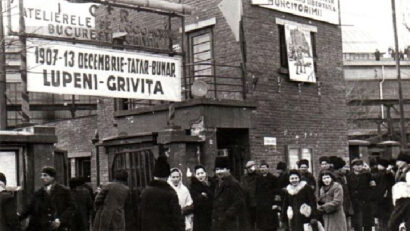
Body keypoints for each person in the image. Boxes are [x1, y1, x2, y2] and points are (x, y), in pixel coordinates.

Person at [19, 166, 75, 231]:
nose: (42, 178)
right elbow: (29, 208)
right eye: (42, 175)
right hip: (41, 227)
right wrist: (18, 217)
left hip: (58, 227)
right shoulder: (38, 193)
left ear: (52, 177)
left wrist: (60, 220)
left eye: (45, 175)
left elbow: (72, 207)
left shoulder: (64, 191)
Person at [140, 155, 185, 231]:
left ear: (154, 176)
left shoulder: (145, 192)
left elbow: (140, 217)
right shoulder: (170, 193)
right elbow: (177, 219)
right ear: (167, 177)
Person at [212, 156, 249, 231]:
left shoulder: (234, 184)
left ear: (228, 170)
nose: (219, 172)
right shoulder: (217, 183)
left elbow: (239, 202)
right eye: (217, 169)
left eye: (222, 169)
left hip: (231, 223)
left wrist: (226, 215)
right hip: (220, 223)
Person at [346, 159, 375, 231]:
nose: (359, 167)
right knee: (357, 224)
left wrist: (369, 196)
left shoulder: (367, 174)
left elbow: (372, 186)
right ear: (353, 166)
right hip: (355, 202)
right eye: (356, 165)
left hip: (366, 202)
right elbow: (348, 189)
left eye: (360, 165)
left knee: (367, 223)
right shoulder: (349, 176)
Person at [255, 161, 280, 231]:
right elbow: (256, 192)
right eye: (261, 168)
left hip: (271, 205)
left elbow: (277, 192)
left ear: (268, 168)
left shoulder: (273, 178)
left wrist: (276, 204)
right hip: (261, 206)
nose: (262, 169)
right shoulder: (258, 179)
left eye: (264, 167)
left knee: (271, 226)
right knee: (262, 226)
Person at [189, 165, 214, 231]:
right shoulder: (193, 186)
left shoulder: (212, 183)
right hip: (199, 216)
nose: (200, 175)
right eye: (198, 174)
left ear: (205, 173)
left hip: (211, 215)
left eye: (202, 173)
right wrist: (201, 196)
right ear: (195, 175)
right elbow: (194, 200)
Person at [373, 158, 394, 231]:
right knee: (382, 220)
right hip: (384, 200)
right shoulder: (387, 174)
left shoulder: (384, 174)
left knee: (382, 220)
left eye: (379, 164)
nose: (377, 166)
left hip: (384, 200)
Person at [241, 160, 259, 230]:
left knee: (258, 223)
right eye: (248, 168)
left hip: (257, 203)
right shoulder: (244, 178)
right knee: (249, 223)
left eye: (252, 167)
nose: (250, 169)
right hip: (247, 203)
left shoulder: (258, 176)